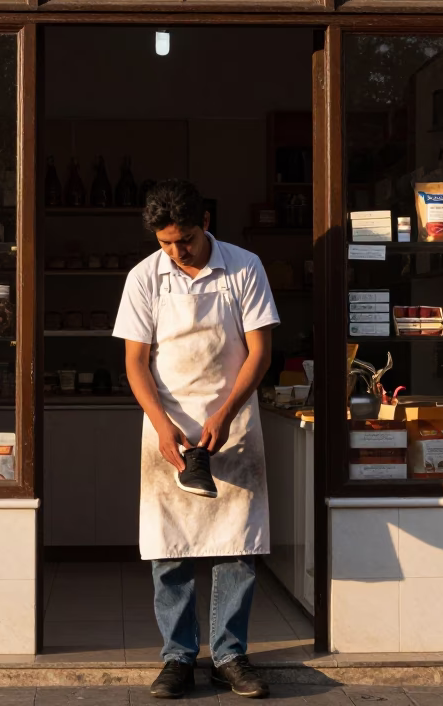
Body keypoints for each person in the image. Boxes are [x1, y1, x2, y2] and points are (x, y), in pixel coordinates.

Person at [113, 179, 279, 699]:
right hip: (166, 423)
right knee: (171, 547)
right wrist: (163, 426)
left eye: (183, 238)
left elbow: (260, 353)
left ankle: (230, 655)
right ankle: (178, 658)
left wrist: (227, 413)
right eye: (165, 241)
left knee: (236, 544)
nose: (175, 251)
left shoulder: (244, 267)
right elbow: (135, 362)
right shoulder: (145, 278)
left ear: (205, 222)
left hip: (232, 422)